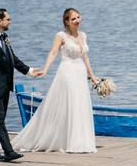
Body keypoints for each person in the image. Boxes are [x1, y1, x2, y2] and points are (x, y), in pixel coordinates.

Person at [11, 8, 99, 153]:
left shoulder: (83, 35)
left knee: (80, 104)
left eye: (78, 17)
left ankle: (80, 141)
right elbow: (53, 53)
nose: (77, 21)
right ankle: (68, 141)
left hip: (80, 73)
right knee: (70, 103)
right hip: (67, 72)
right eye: (73, 19)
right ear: (66, 21)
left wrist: (93, 76)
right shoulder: (61, 35)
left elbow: (85, 57)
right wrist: (45, 69)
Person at [0, 8, 41, 162]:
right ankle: (8, 151)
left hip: (5, 86)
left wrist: (29, 71)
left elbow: (13, 59)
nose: (10, 21)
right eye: (8, 19)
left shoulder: (4, 37)